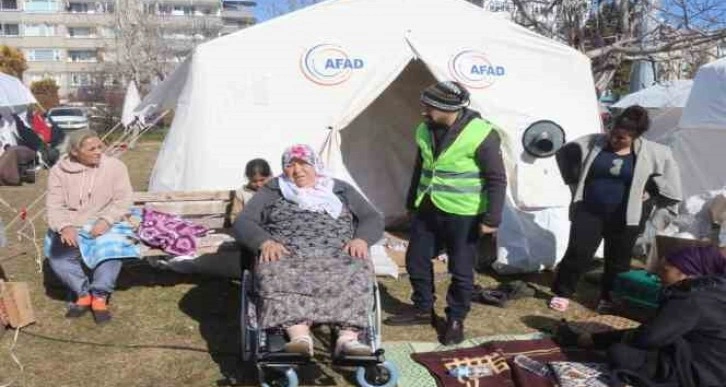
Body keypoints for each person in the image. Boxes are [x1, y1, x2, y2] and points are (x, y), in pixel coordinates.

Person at [383, 81, 507, 345]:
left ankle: (455, 318)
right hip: (428, 205)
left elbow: (497, 178)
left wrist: (492, 219)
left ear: (446, 108)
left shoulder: (482, 134)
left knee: (461, 268)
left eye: (429, 106)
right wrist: (411, 203)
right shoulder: (424, 129)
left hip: (465, 213)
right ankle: (422, 308)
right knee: (416, 258)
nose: (424, 111)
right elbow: (420, 167)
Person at [233, 144, 384, 358]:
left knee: (358, 267)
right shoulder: (273, 189)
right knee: (273, 269)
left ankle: (348, 339)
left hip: (338, 252)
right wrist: (265, 242)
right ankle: (299, 337)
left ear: (316, 165)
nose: (297, 170)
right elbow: (243, 221)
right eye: (290, 165)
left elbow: (372, 217)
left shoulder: (339, 188)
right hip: (288, 253)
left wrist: (361, 239)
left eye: (304, 164)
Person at [550, 105, 682, 313]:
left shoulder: (654, 153)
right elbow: (566, 153)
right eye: (613, 134)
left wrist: (649, 192)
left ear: (636, 137)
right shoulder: (594, 144)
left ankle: (608, 297)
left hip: (625, 216)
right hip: (590, 210)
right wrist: (574, 183)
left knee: (618, 260)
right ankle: (563, 292)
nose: (615, 140)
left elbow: (669, 185)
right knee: (578, 252)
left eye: (622, 138)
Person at [556, 246, 726, 387]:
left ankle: (583, 340)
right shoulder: (715, 290)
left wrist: (594, 340)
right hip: (716, 365)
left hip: (702, 374)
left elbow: (647, 338)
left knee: (621, 353)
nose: (656, 274)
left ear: (687, 274)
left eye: (664, 269)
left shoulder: (689, 299)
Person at [45, 129, 133, 324]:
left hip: (106, 219)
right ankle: (83, 293)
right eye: (91, 149)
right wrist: (64, 226)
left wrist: (106, 220)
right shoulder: (59, 171)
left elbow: (123, 200)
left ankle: (100, 296)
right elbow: (54, 205)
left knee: (111, 251)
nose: (98, 152)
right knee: (59, 258)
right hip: (72, 222)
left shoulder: (115, 167)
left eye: (100, 147)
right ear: (75, 152)